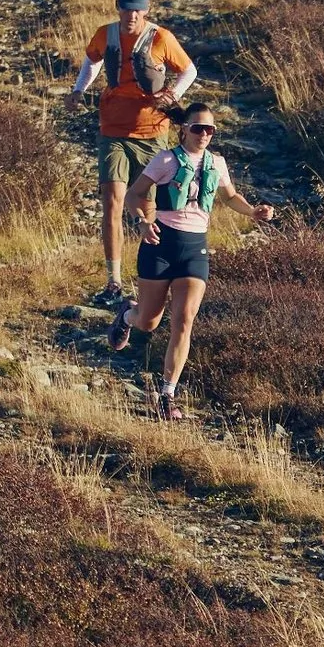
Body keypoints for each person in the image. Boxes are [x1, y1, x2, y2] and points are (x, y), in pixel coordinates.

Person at [115, 108, 277, 421]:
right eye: (199, 129)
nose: (204, 135)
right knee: (149, 321)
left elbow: (230, 197)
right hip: (159, 245)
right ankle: (127, 314)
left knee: (184, 319)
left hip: (194, 249)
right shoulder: (166, 160)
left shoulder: (217, 163)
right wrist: (141, 222)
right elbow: (134, 195)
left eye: (210, 130)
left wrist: (253, 211)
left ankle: (167, 394)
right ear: (185, 129)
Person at [71, 0, 198, 307]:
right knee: (112, 201)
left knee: (148, 208)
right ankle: (113, 281)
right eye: (127, 8)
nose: (132, 15)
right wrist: (78, 89)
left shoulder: (160, 37)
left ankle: (150, 279)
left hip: (152, 132)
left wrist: (173, 96)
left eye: (138, 9)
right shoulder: (105, 33)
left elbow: (189, 70)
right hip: (113, 129)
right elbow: (93, 60)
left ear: (146, 9)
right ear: (118, 7)